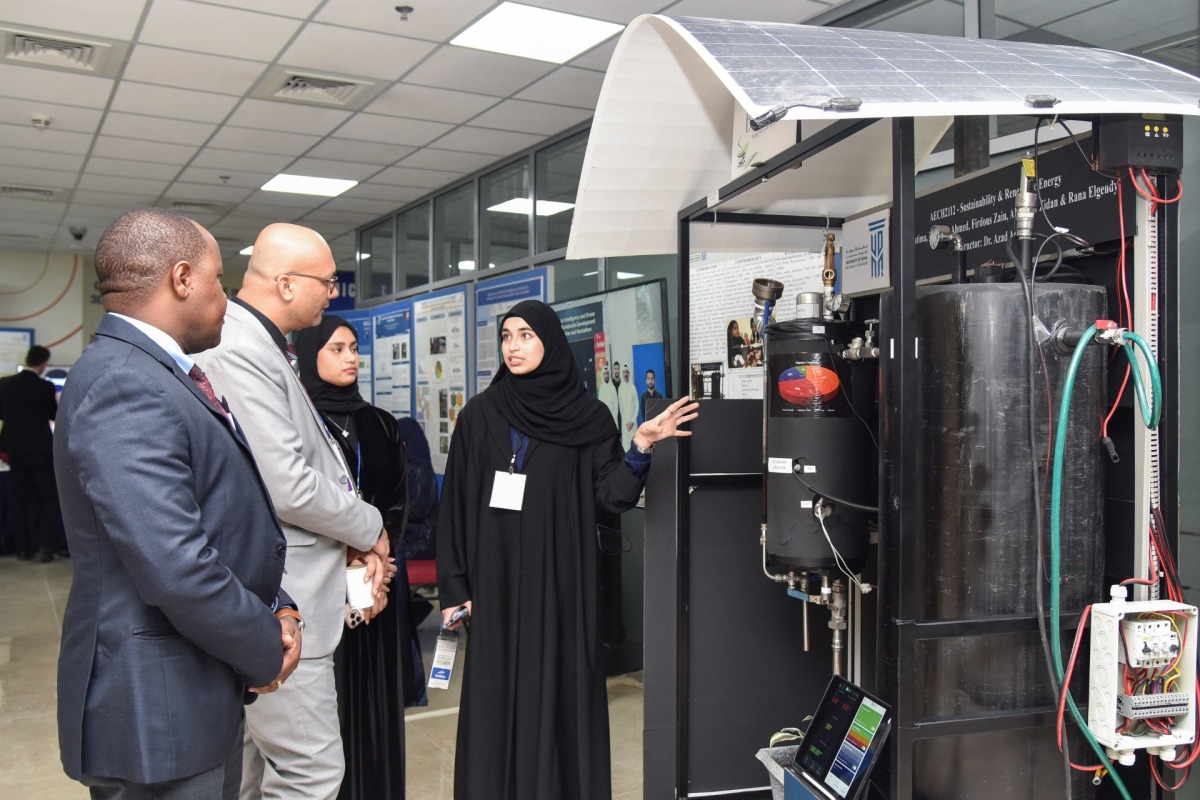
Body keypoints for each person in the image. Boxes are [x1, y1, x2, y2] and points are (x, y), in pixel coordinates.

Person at [54, 207, 299, 799]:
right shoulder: (124, 381)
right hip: (156, 714)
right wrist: (266, 647)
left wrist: (278, 603)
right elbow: (175, 564)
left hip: (185, 695)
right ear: (182, 278)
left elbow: (218, 514)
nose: (225, 297)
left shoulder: (156, 372)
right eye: (219, 280)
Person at [437, 299, 698, 800]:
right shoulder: (478, 416)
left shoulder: (589, 418)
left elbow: (612, 497)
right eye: (508, 336)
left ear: (550, 342)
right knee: (497, 708)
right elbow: (455, 508)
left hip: (561, 590)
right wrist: (455, 586)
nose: (514, 346)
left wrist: (640, 448)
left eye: (526, 336)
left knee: (559, 704)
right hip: (494, 593)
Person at [195, 223, 392, 800]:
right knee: (311, 774)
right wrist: (371, 526)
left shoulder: (263, 341)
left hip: (287, 590)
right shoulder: (239, 346)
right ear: (285, 283)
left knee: (255, 773)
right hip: (283, 599)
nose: (334, 292)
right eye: (327, 281)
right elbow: (289, 486)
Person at [295, 316, 426, 800]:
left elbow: (397, 498)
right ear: (310, 356)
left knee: (377, 701)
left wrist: (378, 556)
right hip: (321, 584)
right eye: (336, 349)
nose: (351, 357)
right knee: (331, 702)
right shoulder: (297, 423)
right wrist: (351, 556)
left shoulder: (380, 422)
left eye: (353, 348)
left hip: (377, 583)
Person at [0, 344, 60, 561]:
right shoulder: (45, 387)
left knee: (19, 499)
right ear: (44, 364)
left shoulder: (5, 384)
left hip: (14, 448)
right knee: (48, 497)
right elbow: (54, 415)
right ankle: (47, 547)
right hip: (40, 448)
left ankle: (23, 548)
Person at [616, 363, 638, 450]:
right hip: (625, 425)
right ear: (622, 374)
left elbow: (637, 405)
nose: (625, 374)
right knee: (626, 447)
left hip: (633, 423)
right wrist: (626, 423)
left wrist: (632, 421)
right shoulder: (620, 389)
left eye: (627, 372)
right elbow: (621, 408)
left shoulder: (633, 388)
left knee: (635, 445)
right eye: (624, 372)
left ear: (629, 374)